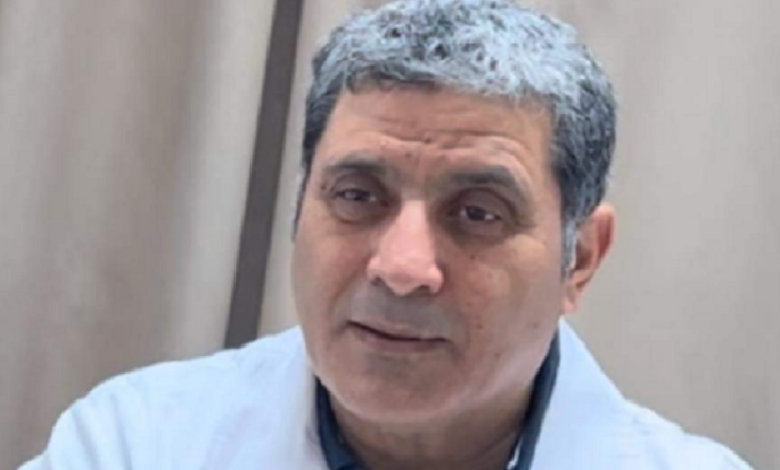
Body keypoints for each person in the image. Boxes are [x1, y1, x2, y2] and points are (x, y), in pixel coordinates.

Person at [21, 1, 755, 469]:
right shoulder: (130, 445)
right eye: (357, 196)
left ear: (580, 259)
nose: (402, 268)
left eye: (477, 213)